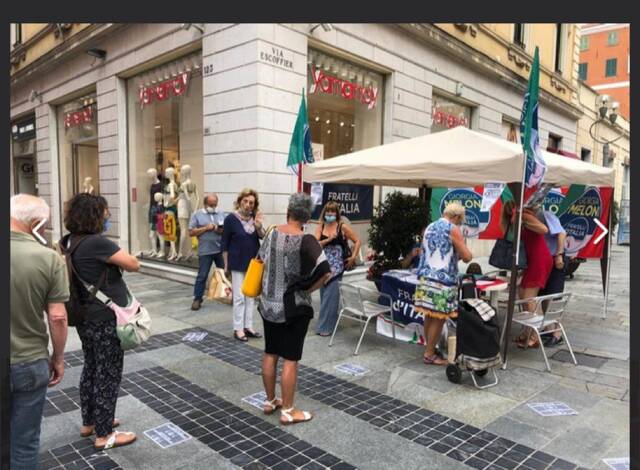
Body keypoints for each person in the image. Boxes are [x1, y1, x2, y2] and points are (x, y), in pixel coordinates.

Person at [60, 193, 140, 450]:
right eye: (106, 212)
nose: (109, 216)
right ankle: (104, 435)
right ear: (94, 214)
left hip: (84, 317)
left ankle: (90, 422)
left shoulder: (70, 241)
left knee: (92, 368)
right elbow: (133, 264)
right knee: (108, 374)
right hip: (105, 318)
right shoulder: (97, 243)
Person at [257, 193, 331, 424]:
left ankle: (270, 401)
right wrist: (308, 288)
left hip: (268, 303)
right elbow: (325, 270)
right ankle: (288, 411)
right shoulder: (307, 239)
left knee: (270, 352)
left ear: (288, 210)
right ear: (307, 216)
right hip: (293, 307)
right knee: (290, 358)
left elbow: (259, 260)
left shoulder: (271, 232)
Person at [10, 194, 69, 469]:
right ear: (37, 223)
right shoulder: (48, 258)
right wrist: (58, 358)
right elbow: (57, 317)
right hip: (28, 361)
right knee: (24, 442)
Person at [414, 202, 472, 365]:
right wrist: (465, 249)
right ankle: (430, 353)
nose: (459, 224)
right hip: (442, 280)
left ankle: (429, 348)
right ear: (456, 217)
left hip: (425, 277)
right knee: (439, 318)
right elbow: (467, 256)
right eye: (460, 221)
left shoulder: (429, 227)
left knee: (429, 315)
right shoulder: (452, 229)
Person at [501, 201, 553, 349]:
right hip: (532, 260)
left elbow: (543, 229)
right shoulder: (516, 219)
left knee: (530, 298)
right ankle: (527, 331)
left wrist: (523, 222)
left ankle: (536, 336)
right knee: (522, 293)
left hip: (539, 259)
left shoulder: (524, 215)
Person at [222, 188, 265, 342]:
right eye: (245, 201)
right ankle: (238, 328)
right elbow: (224, 244)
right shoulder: (230, 219)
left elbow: (263, 236)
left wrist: (259, 225)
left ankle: (248, 326)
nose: (248, 205)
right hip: (237, 262)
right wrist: (226, 265)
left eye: (251, 203)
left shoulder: (255, 219)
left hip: (253, 262)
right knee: (239, 297)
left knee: (250, 296)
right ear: (240, 201)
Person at [314, 201, 361, 336]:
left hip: (337, 266)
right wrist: (328, 240)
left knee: (331, 295)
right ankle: (330, 323)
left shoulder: (342, 226)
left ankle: (324, 328)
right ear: (325, 213)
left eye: (333, 211)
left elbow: (357, 240)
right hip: (322, 264)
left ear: (336, 213)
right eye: (328, 211)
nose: (330, 214)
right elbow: (315, 244)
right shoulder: (320, 226)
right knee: (325, 295)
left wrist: (353, 257)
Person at [188, 193, 225, 310]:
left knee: (225, 273)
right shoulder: (197, 215)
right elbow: (191, 232)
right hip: (205, 250)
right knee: (202, 275)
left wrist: (218, 229)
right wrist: (205, 228)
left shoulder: (221, 213)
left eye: (215, 205)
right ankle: (197, 299)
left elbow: (225, 230)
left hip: (220, 249)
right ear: (205, 204)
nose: (213, 207)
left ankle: (228, 295)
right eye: (210, 205)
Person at [538, 209, 567, 346]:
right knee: (544, 295)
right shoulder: (526, 216)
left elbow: (561, 232)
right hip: (543, 260)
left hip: (555, 258)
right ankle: (548, 328)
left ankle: (557, 333)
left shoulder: (545, 215)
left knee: (553, 296)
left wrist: (559, 254)